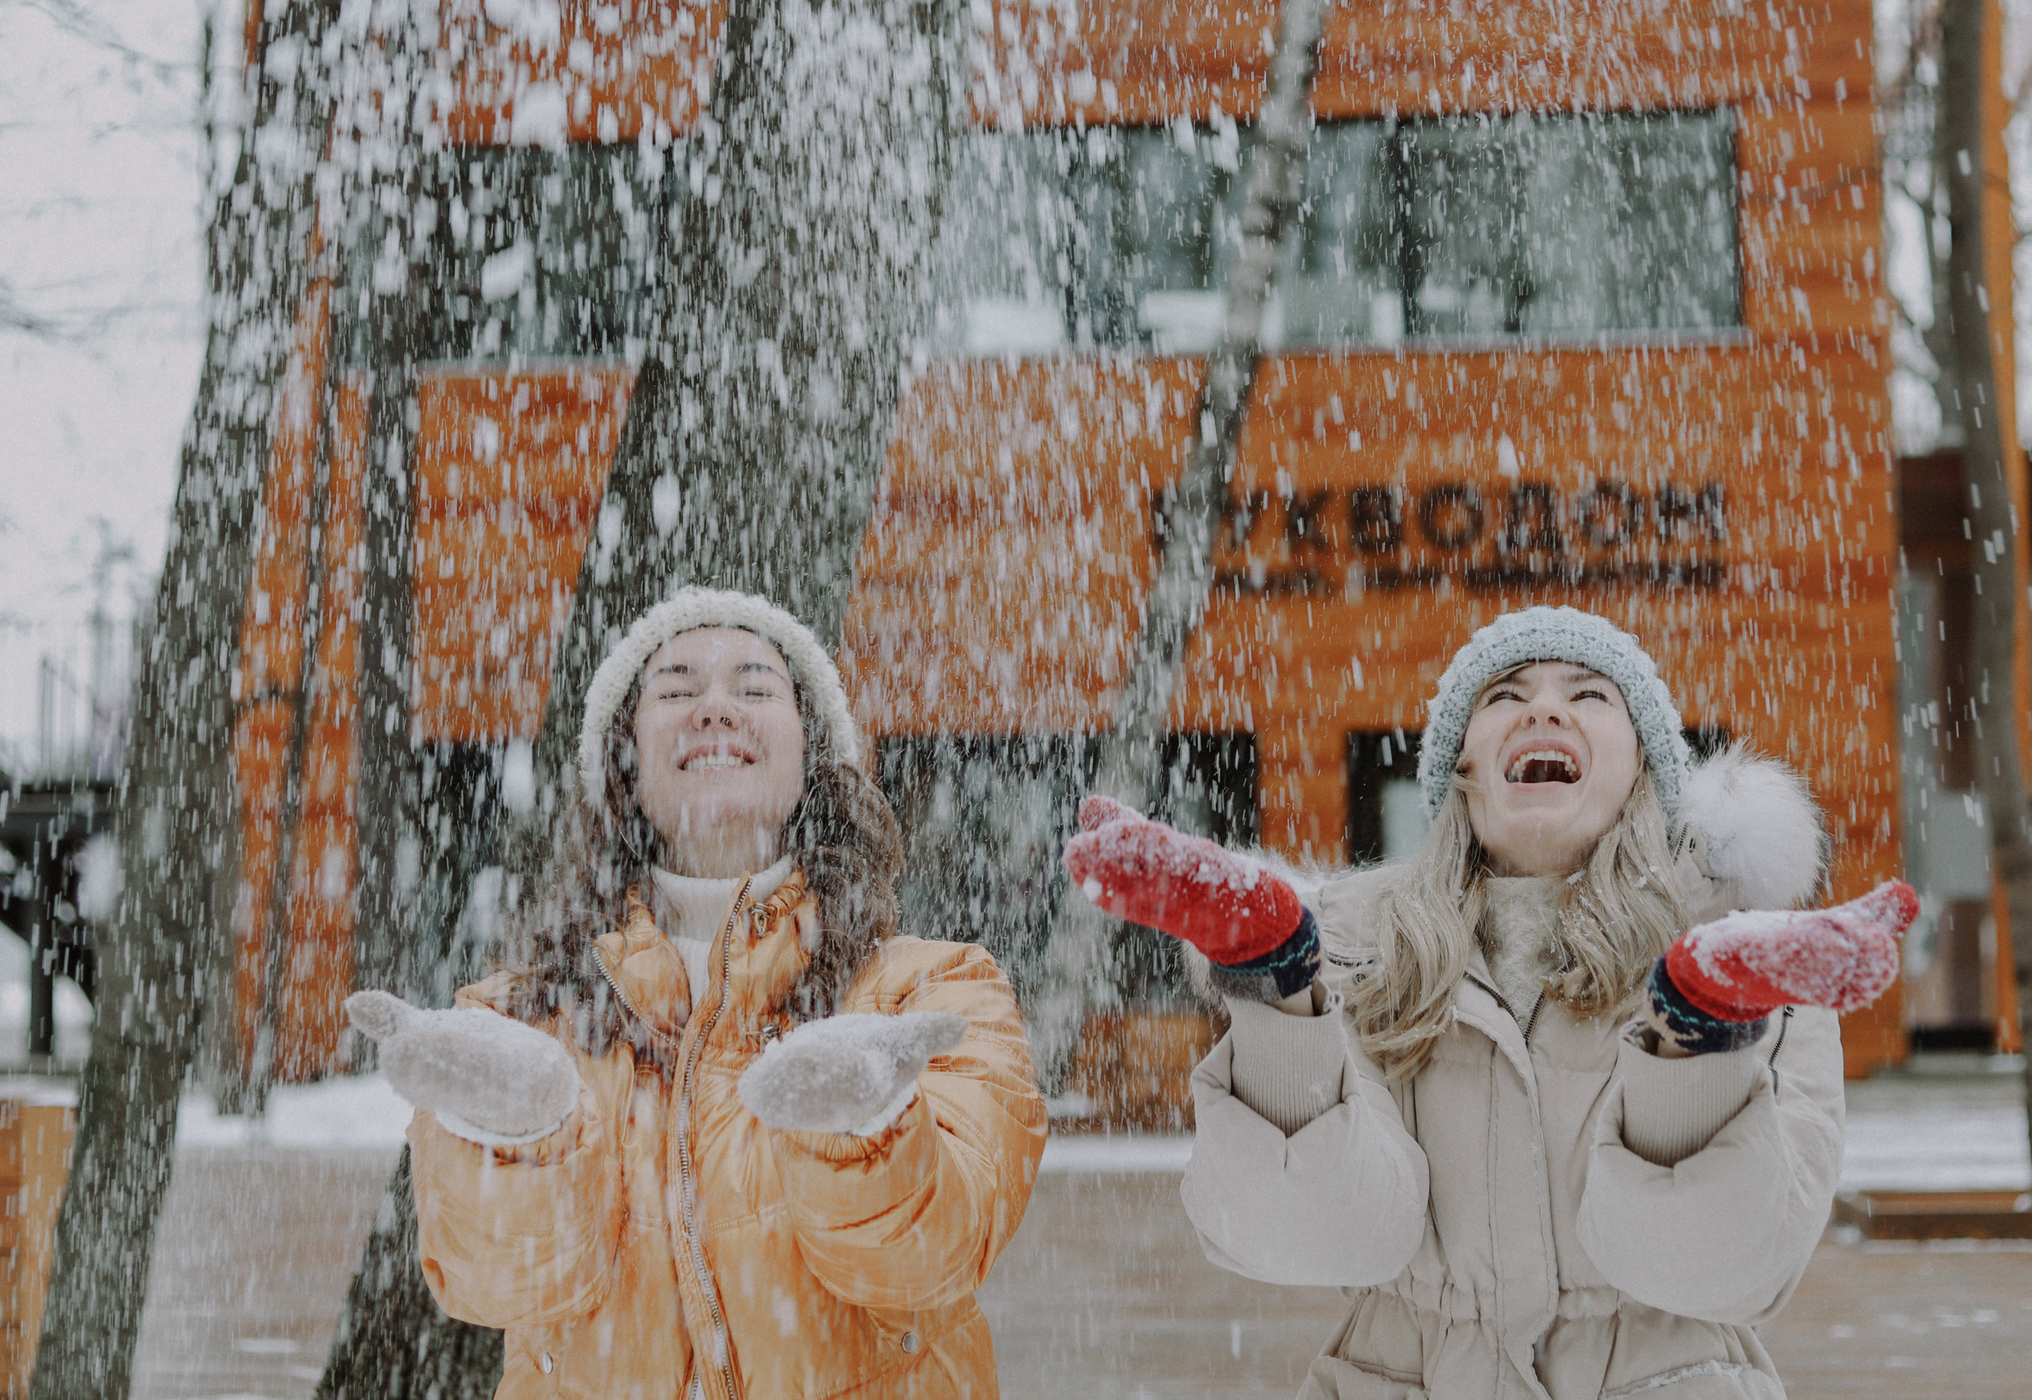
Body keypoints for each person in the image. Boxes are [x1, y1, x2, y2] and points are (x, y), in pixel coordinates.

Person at [1065, 604, 1917, 1400]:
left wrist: (1704, 1029)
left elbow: (1725, 1269)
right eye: (1505, 696)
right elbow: (1313, 1235)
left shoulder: (1758, 964)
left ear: (1645, 769)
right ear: (1463, 770)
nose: (1544, 711)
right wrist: (1273, 990)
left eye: (1589, 695)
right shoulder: (1358, 954)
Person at [346, 586, 1046, 1400]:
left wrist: (869, 1125)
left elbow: (932, 1254)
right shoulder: (516, 1023)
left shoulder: (938, 996)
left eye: (755, 689)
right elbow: (493, 1284)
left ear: (814, 755)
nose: (715, 709)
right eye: (676, 690)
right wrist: (520, 1135)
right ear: (625, 761)